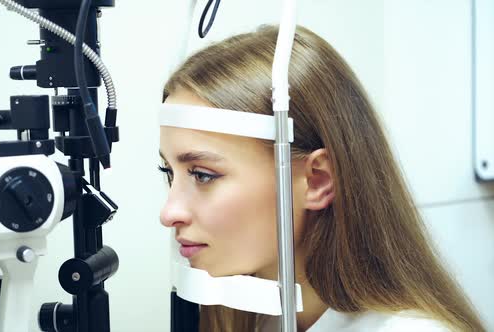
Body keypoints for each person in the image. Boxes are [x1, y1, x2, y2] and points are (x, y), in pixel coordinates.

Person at [157, 25, 486, 332]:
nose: (169, 213)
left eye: (202, 175)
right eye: (169, 173)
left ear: (317, 181)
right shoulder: (255, 317)